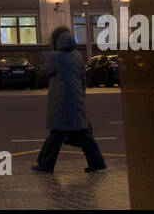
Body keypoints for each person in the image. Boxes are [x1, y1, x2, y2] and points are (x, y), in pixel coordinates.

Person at [32, 26, 107, 174]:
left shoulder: (55, 56)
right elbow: (83, 78)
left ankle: (46, 164)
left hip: (61, 101)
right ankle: (97, 162)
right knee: (81, 133)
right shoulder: (78, 55)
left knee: (57, 133)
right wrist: (81, 94)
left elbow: (45, 72)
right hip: (76, 99)